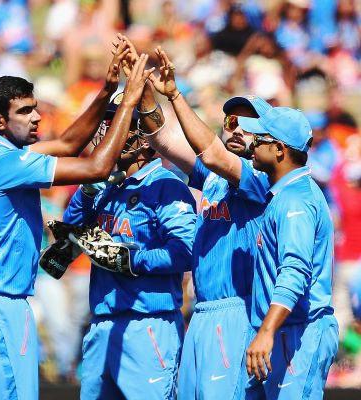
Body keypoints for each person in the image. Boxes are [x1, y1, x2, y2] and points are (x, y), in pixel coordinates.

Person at [0, 42, 154, 399]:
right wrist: (129, 100)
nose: (37, 117)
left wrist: (106, 90)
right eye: (25, 112)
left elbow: (71, 143)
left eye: (35, 108)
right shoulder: (7, 164)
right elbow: (96, 167)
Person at [128, 40, 269, 399]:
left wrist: (175, 95)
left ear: (267, 140)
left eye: (246, 126)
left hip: (237, 311)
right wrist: (143, 86)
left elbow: (211, 151)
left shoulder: (259, 178)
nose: (235, 129)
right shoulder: (214, 178)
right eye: (230, 122)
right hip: (203, 312)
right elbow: (163, 138)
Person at [62, 97, 197, 399]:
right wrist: (88, 187)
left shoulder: (166, 185)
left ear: (148, 140)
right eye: (109, 122)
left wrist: (131, 260)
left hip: (148, 325)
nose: (110, 131)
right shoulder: (106, 183)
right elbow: (69, 233)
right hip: (101, 324)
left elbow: (185, 251)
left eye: (122, 123)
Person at [239, 107, 339, 399]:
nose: (252, 145)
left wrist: (267, 331)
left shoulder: (296, 200)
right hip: (287, 330)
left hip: (300, 332)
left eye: (259, 140)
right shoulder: (285, 194)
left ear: (279, 149)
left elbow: (295, 271)